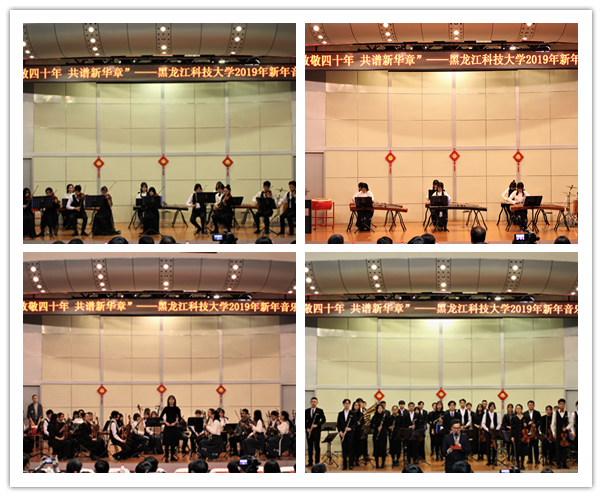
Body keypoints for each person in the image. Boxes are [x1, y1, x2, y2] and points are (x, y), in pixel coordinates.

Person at [551, 398, 572, 469]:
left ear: (564, 405)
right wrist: (553, 433)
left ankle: (564, 463)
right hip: (558, 433)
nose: (562, 405)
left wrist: (567, 428)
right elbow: (553, 424)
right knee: (558, 449)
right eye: (561, 404)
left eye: (563, 404)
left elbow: (571, 422)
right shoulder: (555, 413)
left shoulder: (567, 413)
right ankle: (558, 463)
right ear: (558, 405)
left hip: (565, 433)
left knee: (564, 449)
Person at [159, 395, 182, 462]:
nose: (171, 401)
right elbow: (160, 417)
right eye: (170, 399)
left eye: (172, 399)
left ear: (174, 401)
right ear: (168, 401)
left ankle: (172, 456)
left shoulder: (177, 408)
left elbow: (180, 418)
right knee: (167, 442)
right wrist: (166, 422)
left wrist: (174, 423)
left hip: (174, 427)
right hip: (167, 427)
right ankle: (166, 456)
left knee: (173, 443)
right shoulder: (166, 408)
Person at [305, 397, 326, 467]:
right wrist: (307, 428)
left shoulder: (320, 411)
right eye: (312, 401)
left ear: (317, 403)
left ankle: (317, 462)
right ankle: (310, 461)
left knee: (317, 446)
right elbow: (304, 421)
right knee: (310, 447)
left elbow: (323, 420)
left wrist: (316, 425)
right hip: (309, 432)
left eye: (315, 401)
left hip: (316, 431)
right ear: (310, 402)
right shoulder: (306, 411)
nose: (313, 403)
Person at [337, 399, 355, 470]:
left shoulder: (353, 413)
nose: (346, 405)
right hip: (343, 435)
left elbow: (355, 424)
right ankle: (344, 465)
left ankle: (350, 464)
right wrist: (340, 432)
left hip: (350, 434)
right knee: (344, 450)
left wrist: (350, 428)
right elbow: (338, 424)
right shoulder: (340, 414)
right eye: (345, 403)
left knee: (350, 449)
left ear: (349, 404)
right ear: (343, 404)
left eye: (348, 403)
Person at [482, 401, 501, 466]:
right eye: (491, 407)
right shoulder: (485, 414)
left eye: (493, 407)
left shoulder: (496, 414)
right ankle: (489, 460)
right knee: (488, 446)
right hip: (488, 431)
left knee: (494, 446)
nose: (492, 408)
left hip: (494, 431)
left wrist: (496, 430)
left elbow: (499, 423)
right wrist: (487, 430)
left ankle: (494, 460)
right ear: (489, 407)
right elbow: (483, 424)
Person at [510, 403, 529, 470]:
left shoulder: (525, 417)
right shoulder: (514, 417)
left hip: (523, 436)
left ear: (522, 409)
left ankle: (522, 464)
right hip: (516, 435)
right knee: (517, 450)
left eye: (519, 409)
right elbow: (512, 428)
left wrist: (526, 425)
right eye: (517, 409)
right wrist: (512, 436)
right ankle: (518, 463)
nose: (518, 410)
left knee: (523, 450)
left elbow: (528, 427)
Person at [351, 401, 364, 466]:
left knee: (358, 446)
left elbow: (363, 422)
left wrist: (360, 423)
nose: (356, 406)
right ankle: (352, 459)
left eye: (357, 405)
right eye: (355, 405)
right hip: (352, 431)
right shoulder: (350, 413)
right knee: (352, 446)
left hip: (358, 431)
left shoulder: (361, 414)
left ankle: (357, 460)